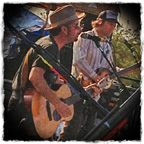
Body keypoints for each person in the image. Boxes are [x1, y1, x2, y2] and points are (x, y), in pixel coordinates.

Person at [6, 5, 85, 140]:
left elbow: (44, 77)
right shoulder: (49, 46)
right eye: (76, 26)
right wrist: (58, 103)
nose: (80, 29)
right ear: (64, 29)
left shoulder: (54, 46)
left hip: (33, 106)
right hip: (25, 107)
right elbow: (35, 77)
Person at [73, 10, 120, 101]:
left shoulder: (107, 45)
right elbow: (78, 60)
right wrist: (95, 77)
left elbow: (109, 68)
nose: (112, 28)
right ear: (100, 21)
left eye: (114, 26)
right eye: (110, 24)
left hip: (94, 95)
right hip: (77, 89)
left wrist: (131, 69)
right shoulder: (85, 37)